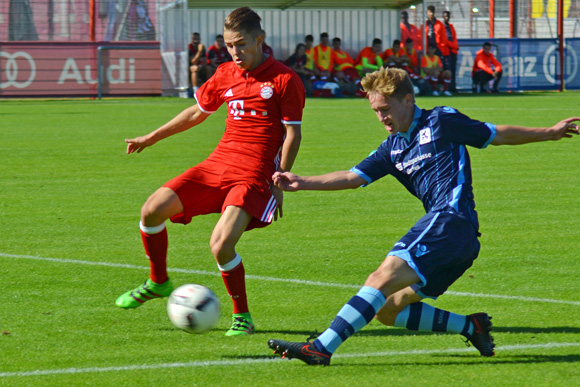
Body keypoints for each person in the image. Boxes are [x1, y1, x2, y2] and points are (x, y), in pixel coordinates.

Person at [267, 67, 579, 365]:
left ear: (408, 100)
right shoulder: (393, 148)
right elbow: (353, 177)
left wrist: (549, 133)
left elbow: (495, 134)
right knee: (388, 310)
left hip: (451, 222)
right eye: (376, 111)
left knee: (380, 278)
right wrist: (303, 182)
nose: (381, 118)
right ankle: (472, 327)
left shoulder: (442, 120)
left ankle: (320, 348)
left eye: (385, 109)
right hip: (456, 242)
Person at [116, 7, 306, 337]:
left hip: (254, 174)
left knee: (220, 245)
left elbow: (293, 134)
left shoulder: (284, 79)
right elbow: (196, 113)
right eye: (230, 45)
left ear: (259, 40)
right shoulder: (225, 73)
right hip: (217, 164)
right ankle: (159, 281)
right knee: (151, 211)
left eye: (241, 44)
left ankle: (242, 316)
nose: (234, 51)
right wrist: (151, 137)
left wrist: (280, 180)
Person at [443, 11, 459, 92]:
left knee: (453, 70)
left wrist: (454, 46)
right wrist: (454, 46)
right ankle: (447, 87)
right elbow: (444, 40)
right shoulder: (442, 27)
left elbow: (454, 38)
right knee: (448, 69)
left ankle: (453, 87)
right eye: (445, 16)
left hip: (453, 52)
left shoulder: (451, 27)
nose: (447, 18)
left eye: (448, 16)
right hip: (447, 52)